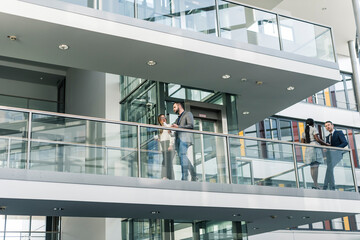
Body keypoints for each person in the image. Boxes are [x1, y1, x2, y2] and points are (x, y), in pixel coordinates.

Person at [171, 102, 197, 181]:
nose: (173, 109)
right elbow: (175, 127)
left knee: (182, 155)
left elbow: (191, 125)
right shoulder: (178, 118)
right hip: (178, 139)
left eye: (174, 107)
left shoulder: (188, 114)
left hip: (185, 138)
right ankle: (194, 174)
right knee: (183, 156)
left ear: (179, 105)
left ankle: (184, 177)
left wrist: (179, 126)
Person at [301, 118, 328, 189]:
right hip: (314, 147)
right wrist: (326, 144)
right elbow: (317, 139)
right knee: (316, 166)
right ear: (313, 123)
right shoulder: (313, 128)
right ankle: (316, 184)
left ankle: (315, 183)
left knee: (312, 167)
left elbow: (302, 142)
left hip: (308, 148)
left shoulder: (304, 131)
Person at [323, 121, 348, 190]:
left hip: (337, 154)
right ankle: (331, 186)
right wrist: (326, 149)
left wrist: (336, 149)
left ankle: (326, 186)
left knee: (329, 169)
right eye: (326, 126)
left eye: (328, 125)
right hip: (330, 156)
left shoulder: (339, 133)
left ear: (332, 125)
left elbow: (345, 142)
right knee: (329, 170)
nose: (327, 127)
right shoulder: (327, 137)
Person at [157, 114, 175, 180]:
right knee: (169, 163)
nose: (163, 118)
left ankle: (164, 176)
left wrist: (171, 145)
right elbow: (161, 139)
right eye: (161, 118)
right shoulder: (160, 129)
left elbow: (172, 136)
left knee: (165, 162)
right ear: (159, 120)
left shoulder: (168, 126)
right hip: (163, 146)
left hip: (168, 145)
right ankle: (171, 178)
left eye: (164, 117)